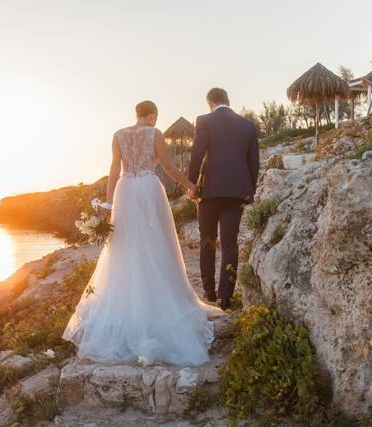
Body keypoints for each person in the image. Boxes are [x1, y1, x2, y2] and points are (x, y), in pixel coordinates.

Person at [63, 100, 221, 366]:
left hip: (125, 190)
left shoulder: (118, 135)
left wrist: (108, 203)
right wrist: (190, 186)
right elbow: (169, 168)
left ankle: (126, 306)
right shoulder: (154, 133)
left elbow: (114, 168)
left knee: (125, 245)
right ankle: (160, 300)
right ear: (151, 116)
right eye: (155, 118)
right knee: (157, 242)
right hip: (148, 188)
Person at [187, 88, 260, 310]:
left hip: (208, 191)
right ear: (228, 101)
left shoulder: (204, 120)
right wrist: (250, 190)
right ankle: (225, 297)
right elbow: (254, 162)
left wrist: (191, 184)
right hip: (236, 191)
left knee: (207, 239)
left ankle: (209, 291)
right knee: (230, 243)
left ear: (210, 102)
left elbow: (197, 153)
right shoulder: (247, 125)